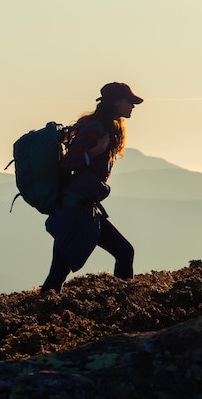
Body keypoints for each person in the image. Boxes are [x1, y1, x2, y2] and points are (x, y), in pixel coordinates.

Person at [40, 82, 143, 293]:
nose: (132, 106)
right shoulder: (95, 128)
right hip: (74, 210)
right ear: (116, 102)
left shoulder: (106, 127)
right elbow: (68, 163)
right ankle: (122, 304)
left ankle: (121, 303)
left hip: (85, 209)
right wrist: (94, 152)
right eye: (129, 101)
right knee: (122, 252)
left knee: (122, 252)